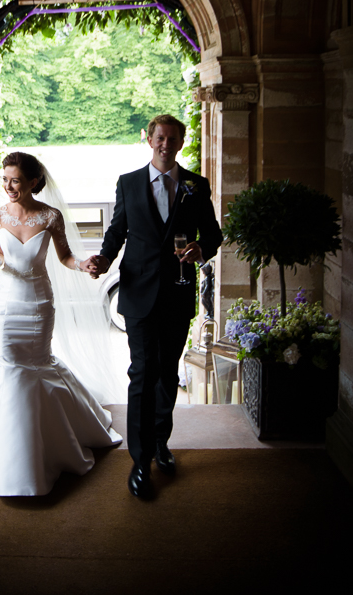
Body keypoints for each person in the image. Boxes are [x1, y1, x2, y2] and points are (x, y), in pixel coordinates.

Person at [0, 151, 122, 497]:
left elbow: (65, 257)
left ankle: (42, 448)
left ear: (32, 182)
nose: (8, 186)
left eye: (15, 180)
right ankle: (9, 451)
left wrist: (84, 264)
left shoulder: (50, 216)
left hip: (38, 304)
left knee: (35, 365)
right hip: (5, 304)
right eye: (5, 180)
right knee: (10, 367)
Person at [87, 115, 222, 501]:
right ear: (149, 139)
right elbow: (117, 231)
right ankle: (140, 460)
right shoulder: (128, 183)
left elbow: (212, 234)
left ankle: (162, 442)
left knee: (166, 373)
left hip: (179, 291)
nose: (165, 144)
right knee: (142, 372)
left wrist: (202, 249)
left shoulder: (197, 185)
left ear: (181, 142)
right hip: (138, 292)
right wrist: (103, 260)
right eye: (159, 137)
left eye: (172, 138)